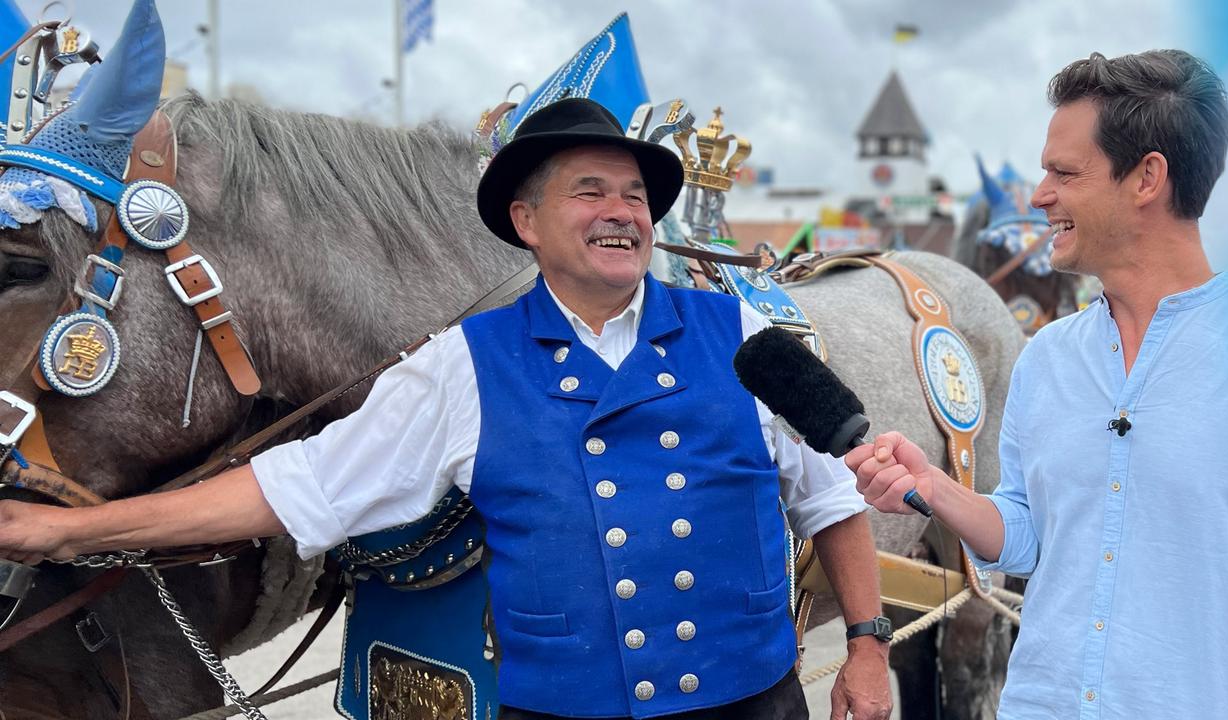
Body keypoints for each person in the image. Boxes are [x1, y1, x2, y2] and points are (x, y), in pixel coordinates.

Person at [0, 97, 894, 720]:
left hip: (753, 705)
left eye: (635, 197)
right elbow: (298, 486)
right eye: (590, 192)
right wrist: (72, 531)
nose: (621, 213)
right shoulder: (460, 369)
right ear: (526, 222)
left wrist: (865, 643)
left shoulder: (739, 332)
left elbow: (832, 495)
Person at [848, 50, 1228, 719]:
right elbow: (1030, 536)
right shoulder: (1048, 358)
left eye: (1064, 172)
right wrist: (938, 490)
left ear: (1147, 178)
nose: (1038, 196)